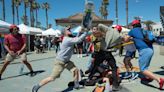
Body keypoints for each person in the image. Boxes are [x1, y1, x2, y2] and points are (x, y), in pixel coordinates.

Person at [32, 26, 88, 92]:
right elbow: (78, 40)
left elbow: (76, 38)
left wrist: (80, 32)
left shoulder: (69, 38)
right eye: (68, 29)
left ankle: (76, 85)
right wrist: (86, 32)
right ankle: (37, 86)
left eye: (70, 29)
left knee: (75, 70)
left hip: (66, 61)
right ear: (64, 32)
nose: (70, 29)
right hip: (60, 62)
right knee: (52, 78)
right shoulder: (67, 39)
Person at [124, 20, 164, 90]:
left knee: (143, 69)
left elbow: (125, 40)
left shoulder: (133, 31)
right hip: (150, 50)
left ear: (133, 26)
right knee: (145, 66)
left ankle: (158, 79)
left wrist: (129, 37)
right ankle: (148, 78)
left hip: (144, 51)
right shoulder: (143, 30)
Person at [91, 24, 122, 91]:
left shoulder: (109, 30)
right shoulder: (119, 37)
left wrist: (100, 33)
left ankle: (89, 80)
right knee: (114, 68)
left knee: (95, 65)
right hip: (108, 53)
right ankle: (115, 85)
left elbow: (99, 25)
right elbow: (116, 49)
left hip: (100, 52)